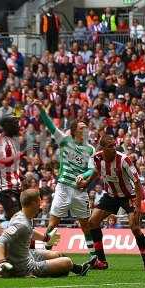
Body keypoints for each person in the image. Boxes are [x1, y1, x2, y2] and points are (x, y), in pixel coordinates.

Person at [32, 100, 96, 256]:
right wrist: (41, 108)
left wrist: (85, 177)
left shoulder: (90, 148)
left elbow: (91, 169)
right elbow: (50, 125)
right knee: (54, 222)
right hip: (63, 187)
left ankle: (94, 256)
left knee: (85, 224)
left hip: (80, 190)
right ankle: (44, 253)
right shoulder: (64, 140)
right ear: (74, 131)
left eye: (86, 127)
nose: (85, 129)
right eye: (82, 128)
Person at [78, 135, 145, 270]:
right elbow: (97, 172)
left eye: (114, 145)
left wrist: (138, 205)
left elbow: (137, 183)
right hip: (111, 196)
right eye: (110, 146)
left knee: (134, 227)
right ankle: (102, 261)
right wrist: (86, 182)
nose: (114, 148)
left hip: (129, 196)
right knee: (92, 222)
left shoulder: (124, 160)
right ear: (103, 148)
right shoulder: (97, 158)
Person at [0, 189, 97, 278]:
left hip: (27, 255)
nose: (41, 203)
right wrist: (2, 262)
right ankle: (65, 270)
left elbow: (29, 231)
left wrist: (45, 238)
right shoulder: (21, 223)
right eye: (39, 201)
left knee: (57, 254)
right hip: (24, 267)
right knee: (67, 262)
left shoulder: (22, 215)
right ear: (34, 203)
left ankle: (78, 269)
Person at [0, 116, 21, 221]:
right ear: (8, 127)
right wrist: (20, 155)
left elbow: (12, 164)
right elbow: (0, 161)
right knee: (17, 217)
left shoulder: (11, 140)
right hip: (3, 187)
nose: (18, 127)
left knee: (22, 216)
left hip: (13, 185)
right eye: (16, 125)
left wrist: (20, 176)